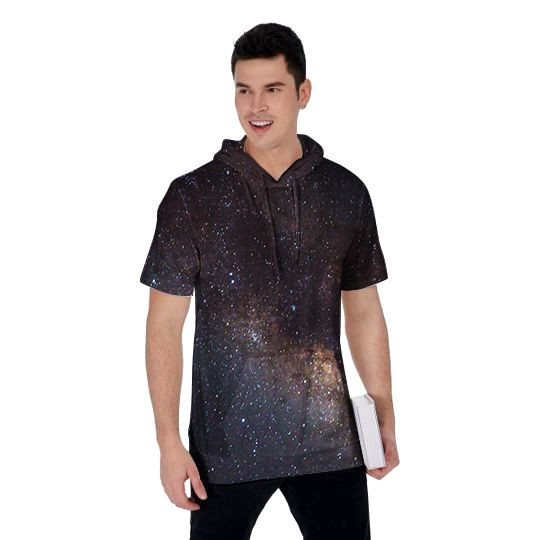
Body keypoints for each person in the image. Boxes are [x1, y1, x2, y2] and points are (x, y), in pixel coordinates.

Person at [140, 22, 399, 540]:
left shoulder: (346, 193)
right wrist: (168, 441)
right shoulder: (191, 197)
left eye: (272, 89)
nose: (255, 106)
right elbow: (164, 325)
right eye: (244, 90)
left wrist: (384, 410)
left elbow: (364, 309)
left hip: (329, 442)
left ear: (303, 93)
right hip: (223, 450)